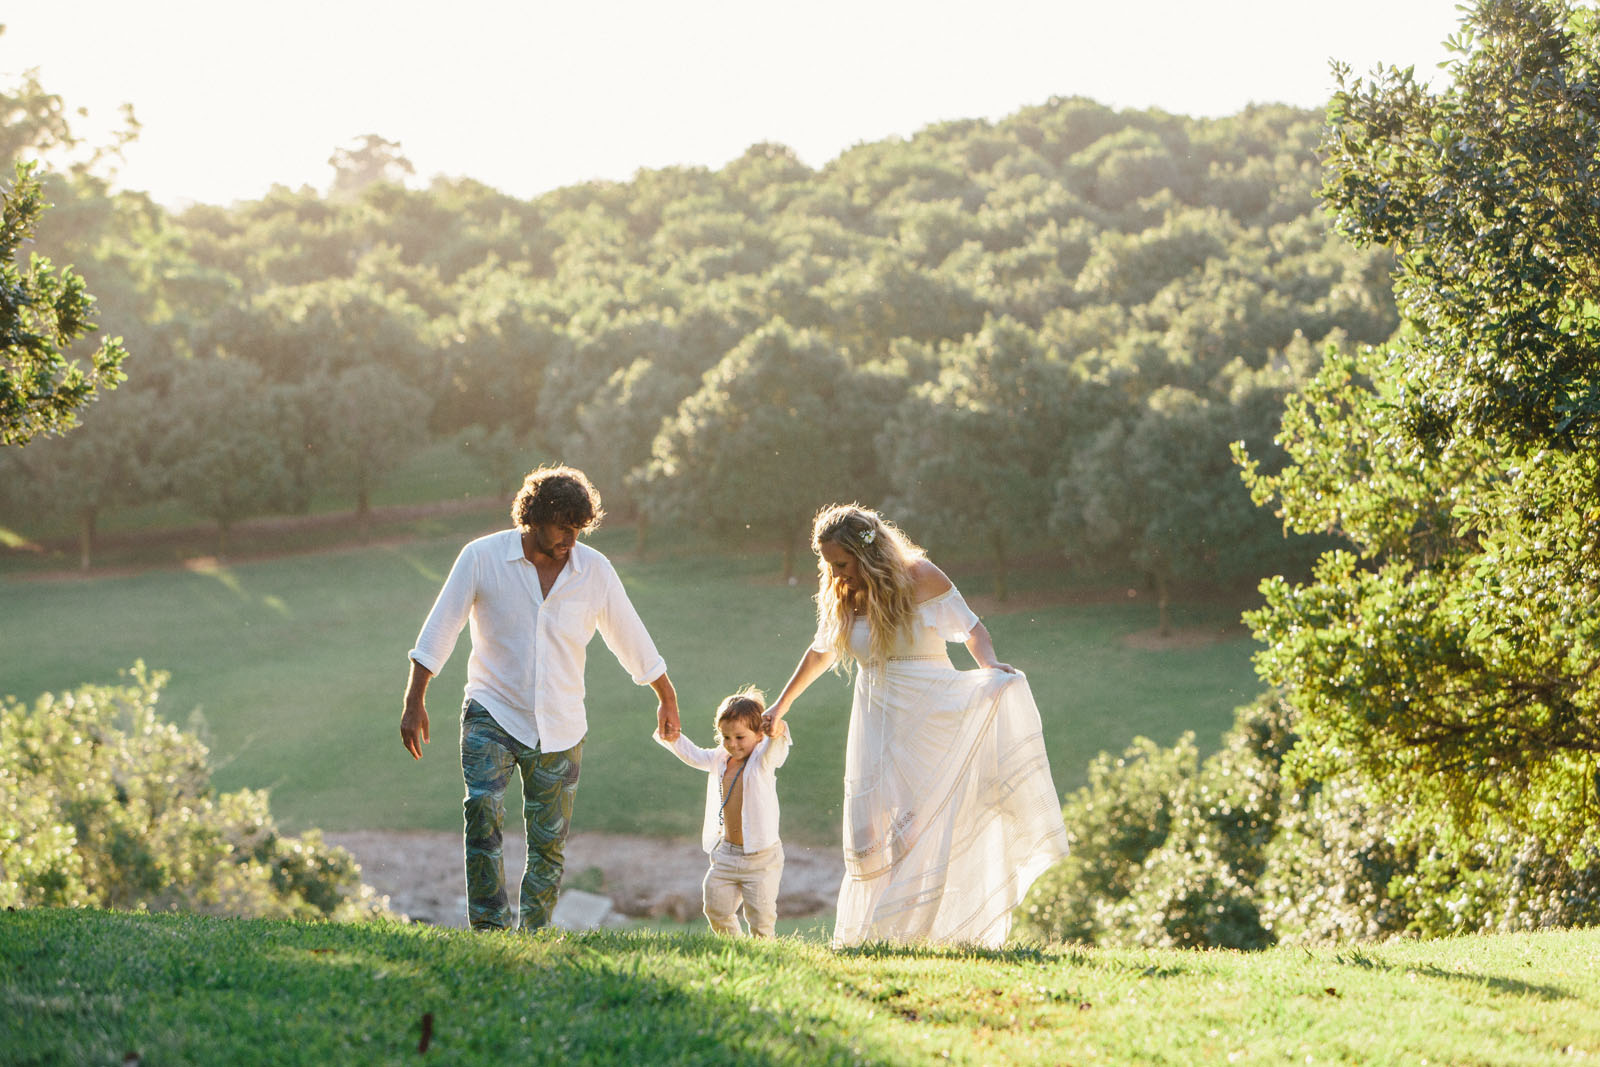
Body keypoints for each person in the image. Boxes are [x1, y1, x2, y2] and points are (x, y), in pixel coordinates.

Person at [764, 503, 1069, 948]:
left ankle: (917, 937)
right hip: (876, 719)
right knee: (870, 829)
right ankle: (877, 934)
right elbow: (822, 651)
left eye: (842, 563)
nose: (836, 573)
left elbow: (971, 629)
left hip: (931, 712)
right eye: (828, 564)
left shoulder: (921, 576)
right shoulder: (844, 593)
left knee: (918, 827)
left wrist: (988, 667)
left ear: (866, 553)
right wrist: (781, 704)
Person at [400, 464, 680, 932]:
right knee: (482, 814)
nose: (571, 540)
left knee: (549, 843)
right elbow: (439, 629)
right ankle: (489, 931)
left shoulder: (594, 571)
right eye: (563, 528)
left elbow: (630, 636)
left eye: (578, 530)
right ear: (532, 518)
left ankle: (534, 935)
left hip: (562, 724)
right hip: (491, 710)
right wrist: (414, 702)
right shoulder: (481, 557)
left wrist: (665, 695)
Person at [655, 686, 791, 937]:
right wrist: (674, 738)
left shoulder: (762, 761)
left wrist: (778, 731)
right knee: (715, 907)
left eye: (740, 737)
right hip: (727, 853)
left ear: (759, 735)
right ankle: (736, 948)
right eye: (726, 737)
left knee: (760, 918)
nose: (732, 744)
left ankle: (765, 957)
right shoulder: (720, 759)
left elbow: (777, 748)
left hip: (761, 857)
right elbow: (694, 756)